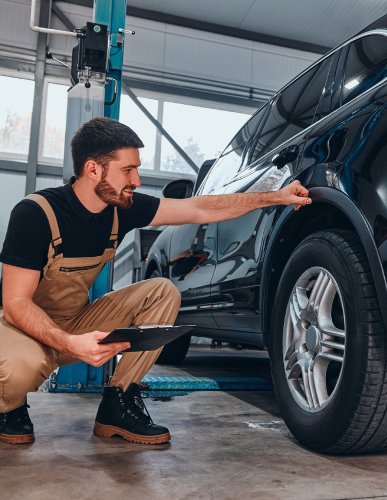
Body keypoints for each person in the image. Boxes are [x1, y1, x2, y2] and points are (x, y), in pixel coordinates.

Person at [0, 117, 312, 446]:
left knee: (161, 291)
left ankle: (117, 403)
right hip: (22, 327)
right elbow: (16, 303)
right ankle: (10, 407)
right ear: (93, 169)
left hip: (76, 321)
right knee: (23, 366)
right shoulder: (36, 213)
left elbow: (199, 208)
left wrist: (275, 197)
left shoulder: (122, 209)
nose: (136, 179)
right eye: (127, 170)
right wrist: (69, 344)